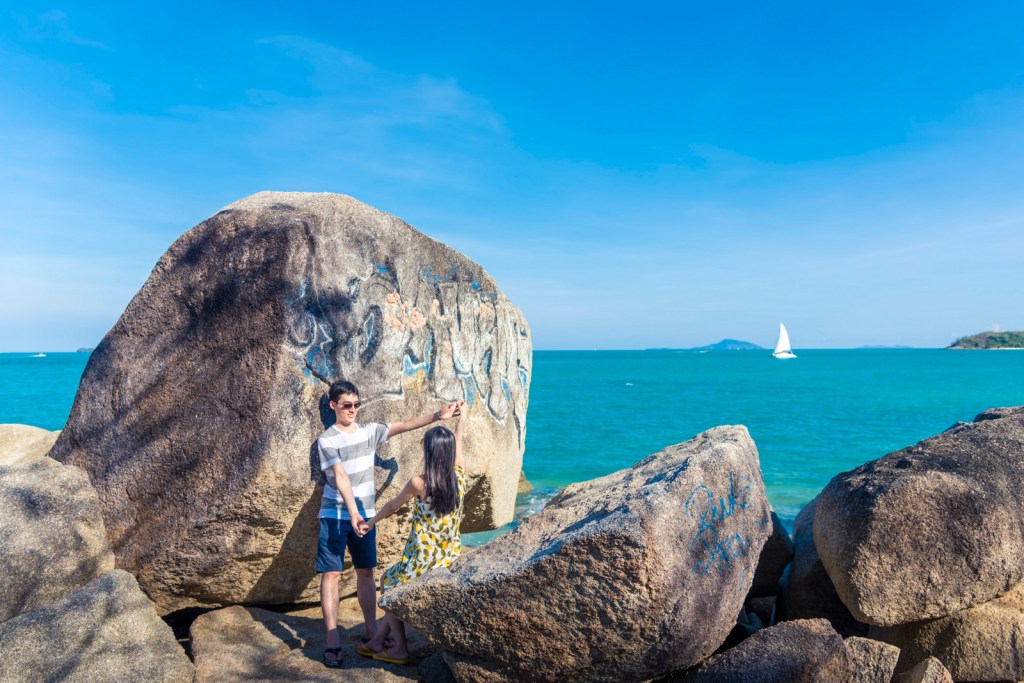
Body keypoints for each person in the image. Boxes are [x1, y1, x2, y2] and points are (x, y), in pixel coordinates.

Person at [317, 379, 459, 669]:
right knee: (331, 574)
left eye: (357, 404)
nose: (352, 410)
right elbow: (340, 477)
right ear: (333, 406)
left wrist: (437, 416)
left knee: (366, 571)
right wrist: (353, 511)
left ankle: (372, 631)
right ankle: (332, 639)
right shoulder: (327, 440)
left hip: (365, 516)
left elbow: (405, 424)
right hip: (335, 514)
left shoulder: (369, 433)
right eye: (346, 405)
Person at [355, 400, 468, 665]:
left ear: (429, 453)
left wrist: (370, 523)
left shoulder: (420, 483)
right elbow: (460, 440)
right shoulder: (459, 475)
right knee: (393, 582)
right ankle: (378, 641)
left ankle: (400, 649)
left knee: (389, 583)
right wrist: (462, 419)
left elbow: (394, 505)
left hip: (422, 559)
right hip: (448, 555)